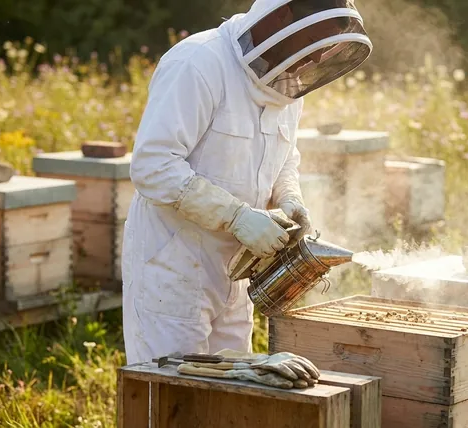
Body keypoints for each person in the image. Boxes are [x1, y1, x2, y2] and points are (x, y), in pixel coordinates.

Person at [121, 0, 372, 365]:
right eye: (312, 42)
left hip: (239, 271)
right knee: (173, 388)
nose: (316, 58)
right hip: (174, 268)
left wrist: (289, 197)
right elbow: (153, 166)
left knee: (233, 387)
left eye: (324, 47)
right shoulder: (198, 62)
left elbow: (285, 157)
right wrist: (236, 216)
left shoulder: (287, 84)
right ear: (282, 16)